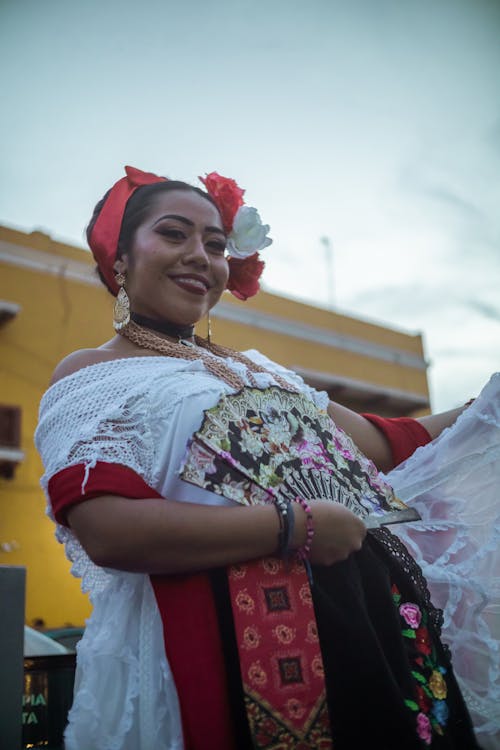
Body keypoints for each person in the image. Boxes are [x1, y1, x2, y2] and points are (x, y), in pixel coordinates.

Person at [35, 165, 484, 750]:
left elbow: (383, 443)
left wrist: (484, 410)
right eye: (174, 234)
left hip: (365, 625)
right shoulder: (93, 372)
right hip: (226, 643)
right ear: (119, 259)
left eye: (216, 244)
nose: (200, 255)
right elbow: (109, 530)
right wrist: (293, 526)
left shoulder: (260, 370)